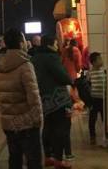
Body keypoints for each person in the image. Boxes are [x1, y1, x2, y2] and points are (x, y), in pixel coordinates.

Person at [0, 28, 43, 169]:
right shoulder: (25, 65)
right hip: (27, 123)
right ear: (21, 43)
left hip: (8, 122)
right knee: (34, 161)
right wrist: (38, 119)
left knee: (14, 159)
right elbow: (34, 97)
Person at [31, 34, 73, 169]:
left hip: (43, 98)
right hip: (57, 99)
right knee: (60, 129)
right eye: (55, 44)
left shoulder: (34, 58)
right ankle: (58, 160)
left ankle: (48, 157)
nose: (57, 46)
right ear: (50, 45)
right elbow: (64, 77)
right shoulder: (51, 57)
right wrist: (70, 80)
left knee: (47, 126)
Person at [87, 52, 108, 146]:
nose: (102, 61)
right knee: (92, 118)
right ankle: (92, 136)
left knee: (105, 118)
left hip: (103, 99)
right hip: (94, 99)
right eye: (99, 59)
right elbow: (88, 86)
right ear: (93, 62)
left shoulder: (104, 72)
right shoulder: (89, 73)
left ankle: (107, 134)